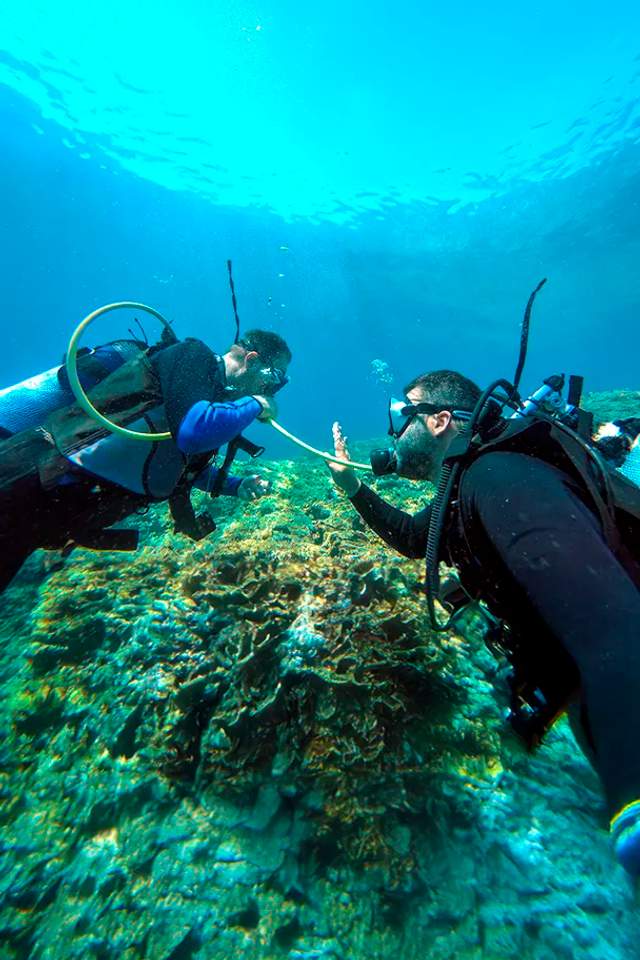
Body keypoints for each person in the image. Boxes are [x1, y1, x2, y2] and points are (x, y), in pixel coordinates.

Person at [327, 368, 640, 877]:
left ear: (439, 421)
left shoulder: (498, 480)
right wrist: (354, 488)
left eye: (398, 416)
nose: (390, 434)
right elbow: (414, 536)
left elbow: (617, 629)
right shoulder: (466, 485)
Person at [0, 328, 291, 592]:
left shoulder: (206, 399)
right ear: (251, 360)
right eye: (276, 377)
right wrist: (256, 404)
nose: (273, 389)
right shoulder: (193, 357)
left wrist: (236, 486)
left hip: (50, 513)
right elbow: (193, 433)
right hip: (30, 480)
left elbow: (182, 468)